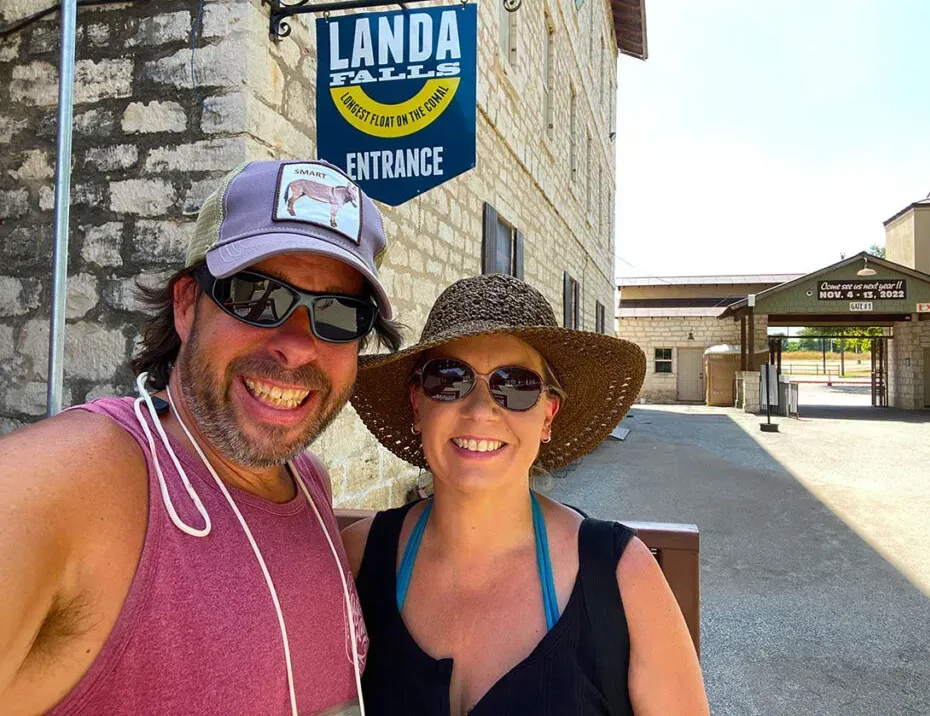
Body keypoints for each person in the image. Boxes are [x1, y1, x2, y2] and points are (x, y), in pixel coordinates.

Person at [0, 159, 401, 716]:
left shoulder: (307, 481)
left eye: (339, 314)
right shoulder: (74, 480)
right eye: (256, 296)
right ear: (188, 305)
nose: (298, 345)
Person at [343, 273, 710, 716]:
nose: (480, 411)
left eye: (516, 385)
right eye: (449, 379)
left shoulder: (621, 577)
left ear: (548, 416)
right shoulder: (356, 558)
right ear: (418, 405)